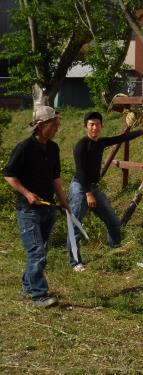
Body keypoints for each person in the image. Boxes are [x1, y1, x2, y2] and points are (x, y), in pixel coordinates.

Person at [3, 106, 69, 308]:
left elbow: (55, 178)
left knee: (41, 250)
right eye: (53, 125)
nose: (57, 128)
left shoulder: (53, 148)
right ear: (41, 126)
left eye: (58, 124)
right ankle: (40, 295)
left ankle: (28, 287)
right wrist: (27, 193)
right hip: (28, 210)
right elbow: (8, 175)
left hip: (48, 208)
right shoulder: (24, 148)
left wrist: (64, 201)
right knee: (36, 252)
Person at [67, 111, 143, 271]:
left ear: (101, 126)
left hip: (93, 187)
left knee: (113, 221)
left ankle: (115, 250)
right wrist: (88, 193)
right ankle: (75, 262)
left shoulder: (101, 142)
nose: (95, 127)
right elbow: (80, 171)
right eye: (91, 124)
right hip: (80, 187)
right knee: (76, 225)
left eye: (97, 124)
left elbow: (121, 138)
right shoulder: (81, 146)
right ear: (86, 127)